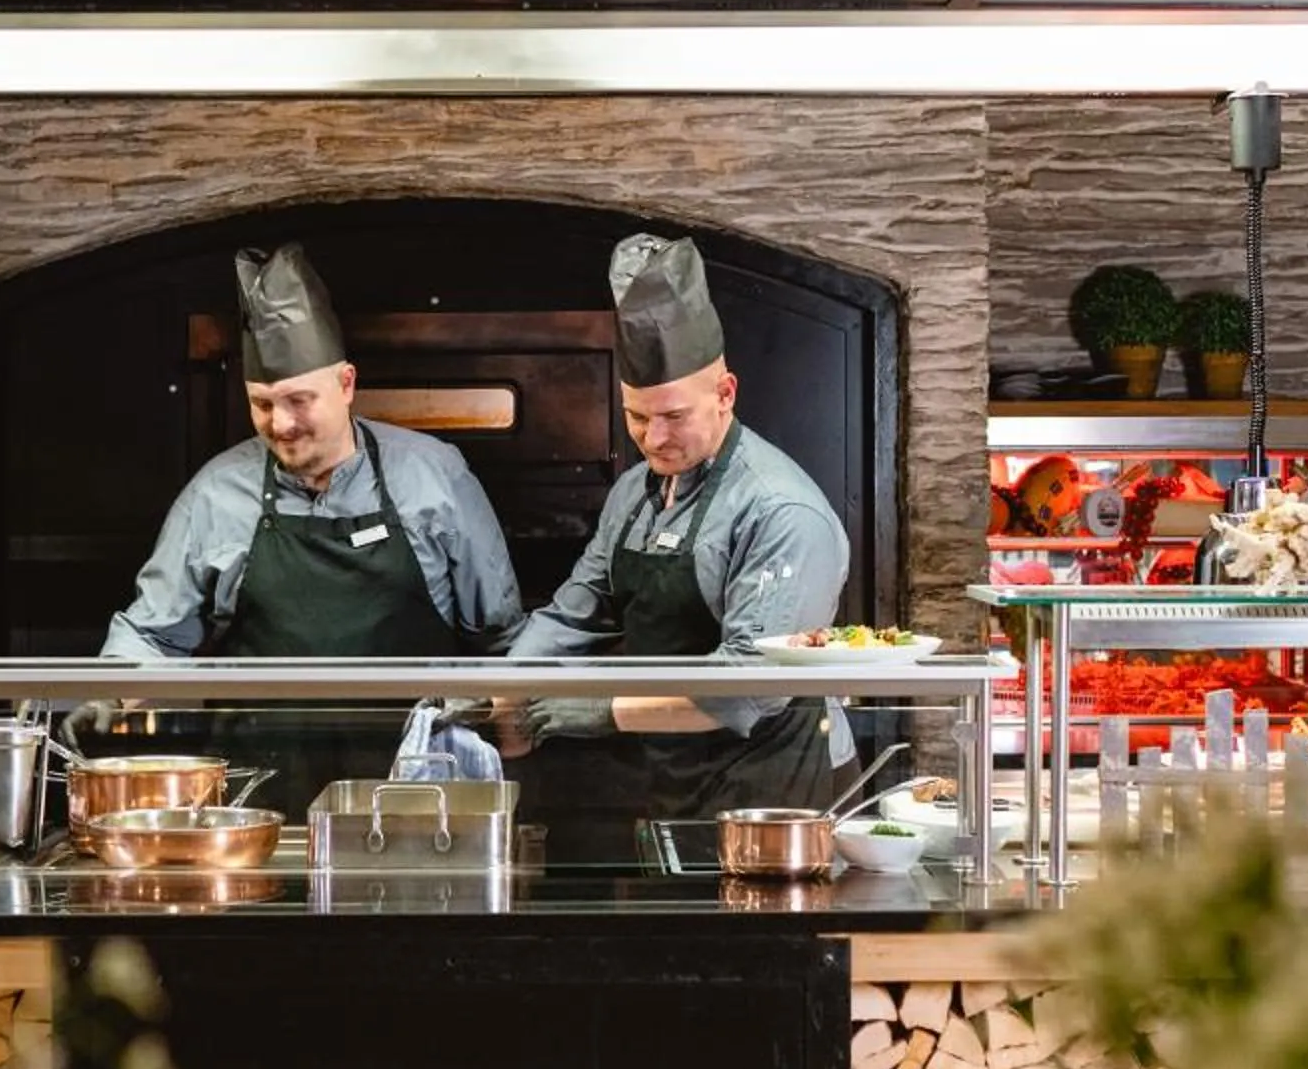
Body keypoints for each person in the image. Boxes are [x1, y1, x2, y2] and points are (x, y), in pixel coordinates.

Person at [89, 242, 523, 810]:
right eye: (262, 404)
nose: (282, 424)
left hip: (417, 789)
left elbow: (500, 633)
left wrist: (511, 719)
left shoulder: (433, 477)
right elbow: (154, 634)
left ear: (346, 384)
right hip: (258, 793)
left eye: (299, 400)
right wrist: (104, 694)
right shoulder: (218, 492)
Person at [500, 232, 852, 847]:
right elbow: (580, 610)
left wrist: (598, 710)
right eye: (637, 416)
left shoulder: (782, 511)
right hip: (671, 771)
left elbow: (751, 689)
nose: (653, 438)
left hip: (772, 789)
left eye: (674, 417)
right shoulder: (635, 491)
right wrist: (504, 689)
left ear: (725, 395)